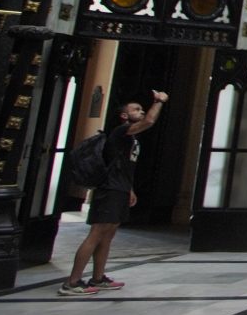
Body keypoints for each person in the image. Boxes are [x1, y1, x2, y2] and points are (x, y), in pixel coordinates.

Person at [59, 90, 166, 296]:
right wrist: (159, 101)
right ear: (125, 116)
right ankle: (72, 282)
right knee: (96, 234)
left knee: (108, 235)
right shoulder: (121, 131)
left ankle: (98, 277)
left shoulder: (132, 139)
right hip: (109, 189)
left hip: (120, 188)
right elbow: (150, 121)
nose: (141, 111)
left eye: (141, 109)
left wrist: (130, 189)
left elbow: (123, 165)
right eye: (136, 109)